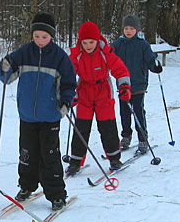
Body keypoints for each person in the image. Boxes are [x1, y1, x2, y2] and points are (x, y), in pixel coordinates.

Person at [0, 12, 76, 211]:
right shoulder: (24, 53)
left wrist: (66, 103)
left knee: (49, 155)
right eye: (36, 36)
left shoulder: (60, 58)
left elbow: (68, 84)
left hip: (50, 115)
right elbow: (7, 76)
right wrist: (5, 67)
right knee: (27, 154)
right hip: (27, 115)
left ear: (51, 36)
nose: (40, 41)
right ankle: (26, 186)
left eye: (44, 37)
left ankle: (57, 194)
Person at [65, 21, 131, 174]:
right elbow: (66, 75)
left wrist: (124, 86)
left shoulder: (105, 53)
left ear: (97, 40)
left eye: (92, 42)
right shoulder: (77, 55)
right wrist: (70, 93)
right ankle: (75, 161)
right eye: (85, 42)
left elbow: (120, 70)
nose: (88, 45)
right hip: (84, 93)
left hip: (103, 92)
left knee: (107, 128)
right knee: (81, 128)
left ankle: (114, 159)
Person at [111, 15, 163, 154]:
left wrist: (155, 66)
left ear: (137, 30)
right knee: (124, 112)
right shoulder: (118, 44)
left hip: (139, 83)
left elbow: (150, 59)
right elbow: (109, 56)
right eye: (126, 28)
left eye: (131, 28)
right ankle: (126, 135)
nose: (128, 31)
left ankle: (142, 138)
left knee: (138, 111)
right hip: (123, 85)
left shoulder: (142, 44)